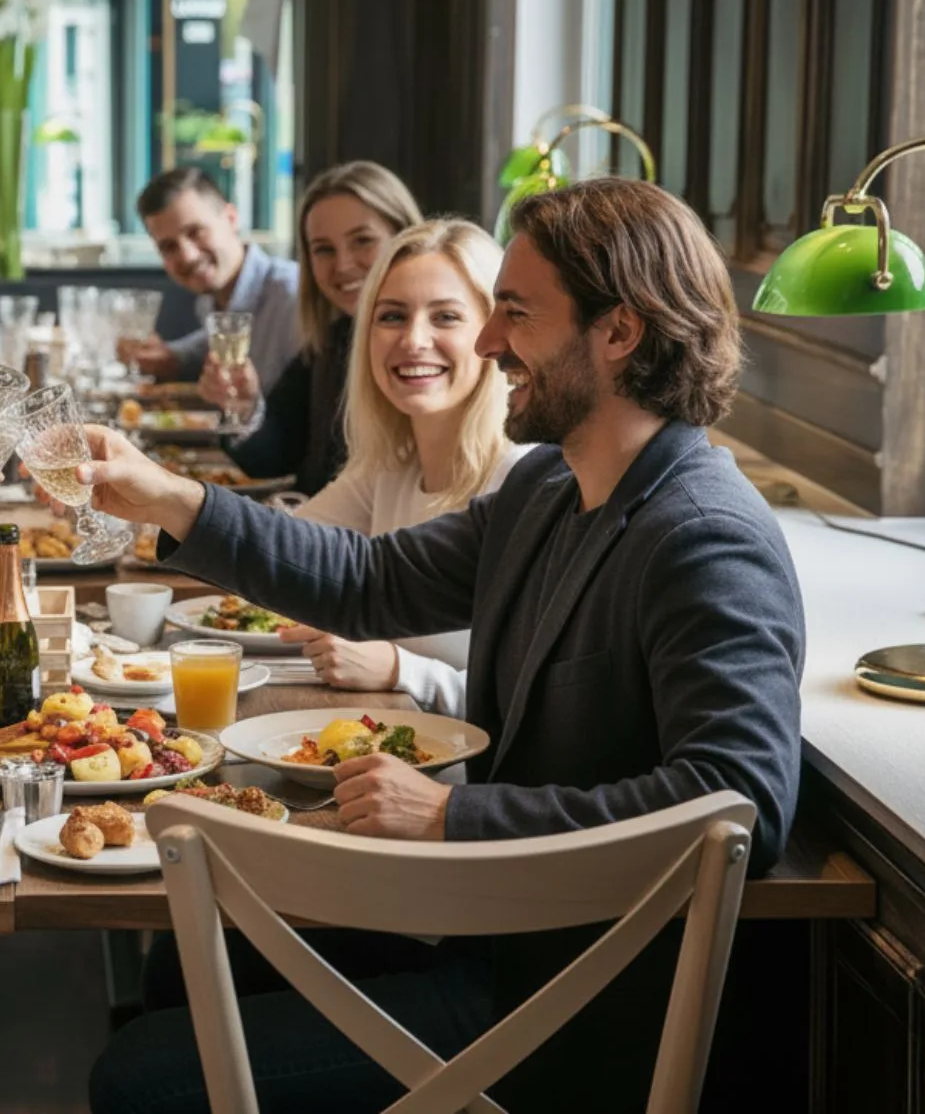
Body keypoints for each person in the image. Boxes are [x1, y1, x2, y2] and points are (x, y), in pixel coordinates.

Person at [81, 178, 804, 1113]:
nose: (491, 343)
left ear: (618, 333)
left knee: (137, 1081)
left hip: (576, 993)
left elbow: (737, 795)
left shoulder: (704, 532)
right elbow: (366, 580)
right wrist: (170, 498)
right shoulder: (551, 486)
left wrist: (452, 818)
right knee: (192, 961)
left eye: (514, 312)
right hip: (499, 924)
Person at [280, 218, 529, 716]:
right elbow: (279, 551)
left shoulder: (526, 479)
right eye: (392, 316)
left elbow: (537, 709)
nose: (414, 340)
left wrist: (402, 669)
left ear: (494, 334)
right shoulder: (390, 468)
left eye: (446, 317)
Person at [200, 162, 422, 496]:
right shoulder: (331, 342)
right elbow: (274, 459)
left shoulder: (426, 355)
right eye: (324, 250)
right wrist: (244, 408)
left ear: (406, 239)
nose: (343, 265)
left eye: (363, 241)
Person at [128, 167, 300, 387]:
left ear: (231, 218)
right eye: (169, 246)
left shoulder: (293, 297)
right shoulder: (212, 301)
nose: (188, 256)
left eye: (195, 232)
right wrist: (167, 357)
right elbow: (206, 345)